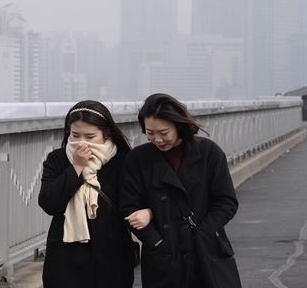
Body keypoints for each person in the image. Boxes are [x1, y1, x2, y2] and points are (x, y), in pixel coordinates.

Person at [120, 93, 241, 288]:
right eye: (150, 133)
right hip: (163, 256)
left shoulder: (209, 152)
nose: (157, 139)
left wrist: (203, 233)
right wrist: (156, 242)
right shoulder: (137, 159)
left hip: (206, 251)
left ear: (178, 125)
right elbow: (128, 206)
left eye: (163, 132)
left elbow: (226, 202)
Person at [38, 100, 137, 288]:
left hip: (112, 255)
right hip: (65, 258)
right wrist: (76, 167)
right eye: (75, 135)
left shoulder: (123, 161)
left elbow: (133, 203)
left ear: (106, 134)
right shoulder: (57, 160)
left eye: (90, 136)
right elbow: (48, 203)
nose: (81, 142)